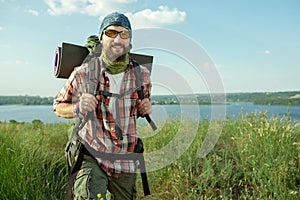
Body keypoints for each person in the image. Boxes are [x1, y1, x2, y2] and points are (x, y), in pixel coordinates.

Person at [53, 12, 152, 200]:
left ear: (130, 41)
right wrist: (77, 108)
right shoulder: (83, 73)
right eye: (111, 33)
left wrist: (145, 107)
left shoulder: (142, 75)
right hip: (92, 153)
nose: (118, 39)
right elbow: (58, 106)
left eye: (124, 34)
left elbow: (142, 103)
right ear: (101, 38)